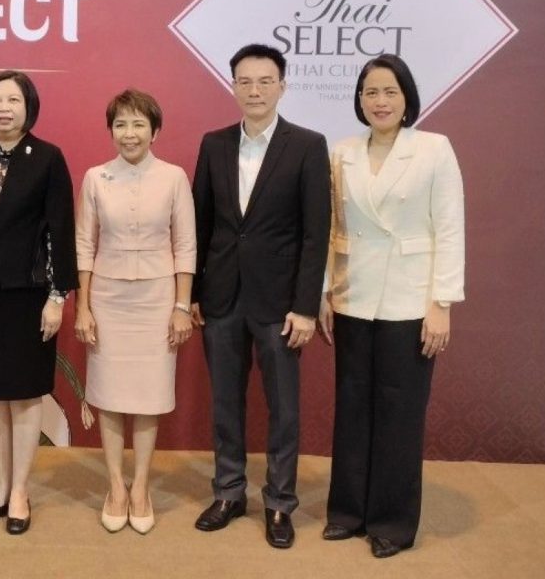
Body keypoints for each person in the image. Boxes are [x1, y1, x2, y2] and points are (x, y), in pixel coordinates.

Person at [316, 55, 464, 559]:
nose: (379, 101)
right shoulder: (341, 153)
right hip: (354, 295)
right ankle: (347, 512)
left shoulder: (433, 150)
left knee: (400, 412)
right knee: (353, 406)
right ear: (358, 100)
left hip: (410, 300)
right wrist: (325, 291)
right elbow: (329, 228)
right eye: (370, 92)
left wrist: (441, 302)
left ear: (407, 99)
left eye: (390, 92)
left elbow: (449, 228)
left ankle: (393, 523)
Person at [190, 44, 330, 549]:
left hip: (280, 305)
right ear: (233, 86)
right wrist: (195, 293)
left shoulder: (308, 145)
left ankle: (279, 503)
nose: (254, 90)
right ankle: (229, 492)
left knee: (283, 408)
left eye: (265, 81)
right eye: (245, 81)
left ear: (282, 86)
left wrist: (305, 306)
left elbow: (317, 234)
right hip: (222, 295)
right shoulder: (214, 144)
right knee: (225, 402)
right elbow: (201, 225)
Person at [0, 70, 77, 535]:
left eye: (14, 100)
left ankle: (21, 490)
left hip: (30, 295)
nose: (4, 107)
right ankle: (1, 486)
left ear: (29, 107)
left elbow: (62, 231)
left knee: (24, 396)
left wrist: (57, 296)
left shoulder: (47, 158)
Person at [73, 89, 195, 535]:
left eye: (138, 124)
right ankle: (114, 487)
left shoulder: (174, 177)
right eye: (121, 124)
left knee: (148, 397)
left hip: (158, 299)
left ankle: (140, 487)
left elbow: (185, 245)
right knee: (108, 394)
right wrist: (82, 306)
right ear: (111, 131)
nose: (129, 133)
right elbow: (84, 244)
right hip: (106, 298)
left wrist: (181, 306)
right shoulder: (95, 178)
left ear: (155, 131)